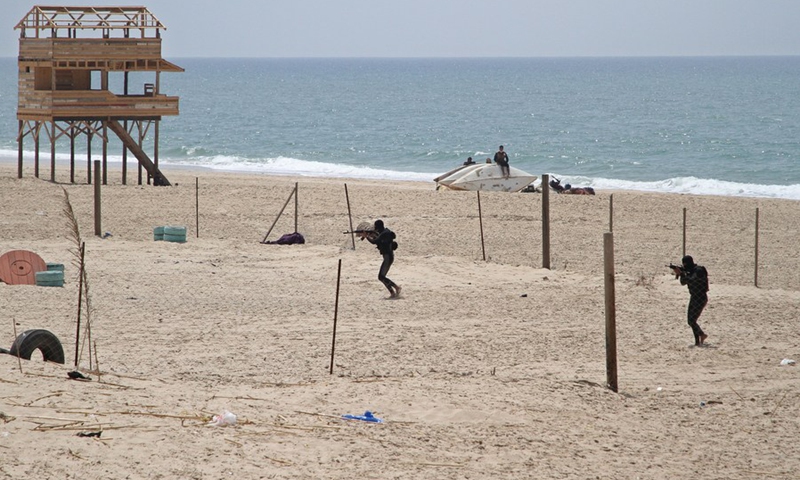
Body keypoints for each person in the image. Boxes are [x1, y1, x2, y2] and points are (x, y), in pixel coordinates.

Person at [672, 255, 709, 346]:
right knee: (690, 320)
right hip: (694, 297)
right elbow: (683, 282)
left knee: (692, 320)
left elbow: (693, 280)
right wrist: (681, 273)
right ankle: (698, 341)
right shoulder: (690, 271)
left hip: (700, 297)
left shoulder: (699, 270)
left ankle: (702, 335)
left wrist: (682, 274)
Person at [360, 219, 401, 298]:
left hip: (388, 257)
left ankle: (396, 288)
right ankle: (393, 292)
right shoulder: (385, 232)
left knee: (381, 277)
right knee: (381, 277)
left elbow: (374, 242)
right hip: (388, 257)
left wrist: (366, 236)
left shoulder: (384, 233)